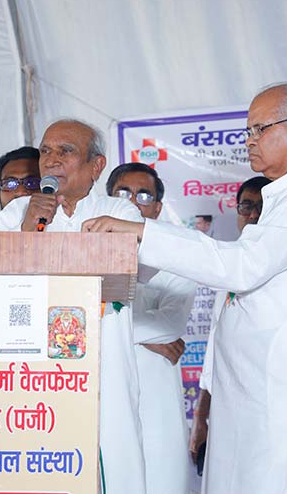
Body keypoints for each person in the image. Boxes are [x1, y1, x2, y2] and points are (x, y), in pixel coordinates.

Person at [83, 83, 287, 494]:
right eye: (248, 131)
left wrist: (143, 232)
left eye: (259, 129)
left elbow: (243, 267)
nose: (249, 141)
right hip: (256, 393)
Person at [0, 119, 147, 494]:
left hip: (104, 367)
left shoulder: (120, 213)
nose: (52, 159)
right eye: (45, 151)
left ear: (96, 165)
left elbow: (137, 266)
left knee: (111, 464)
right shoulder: (17, 213)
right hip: (33, 372)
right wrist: (27, 231)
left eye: (66, 151)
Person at [106, 162, 196, 494]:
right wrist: (146, 337)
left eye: (144, 195)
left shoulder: (177, 259)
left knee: (163, 480)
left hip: (157, 402)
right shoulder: (85, 254)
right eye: (123, 193)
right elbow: (71, 319)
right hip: (107, 399)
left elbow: (170, 325)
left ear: (157, 208)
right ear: (107, 201)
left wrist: (106, 326)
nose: (133, 202)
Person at [188, 175, 271, 488]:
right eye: (246, 206)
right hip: (227, 408)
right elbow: (216, 347)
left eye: (262, 207)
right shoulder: (229, 270)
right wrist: (201, 416)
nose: (252, 215)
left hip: (271, 409)